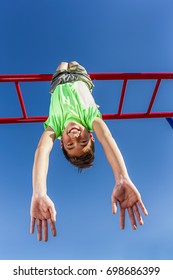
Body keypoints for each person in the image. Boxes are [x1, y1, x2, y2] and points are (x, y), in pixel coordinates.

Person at [30, 61, 148, 242]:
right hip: (79, 77)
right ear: (91, 136)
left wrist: (39, 191)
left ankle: (63, 65)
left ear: (61, 143)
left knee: (62, 64)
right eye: (83, 141)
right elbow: (107, 138)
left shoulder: (55, 126)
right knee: (74, 63)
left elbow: (42, 150)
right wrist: (122, 177)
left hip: (58, 82)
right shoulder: (90, 117)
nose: (75, 137)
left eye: (70, 145)